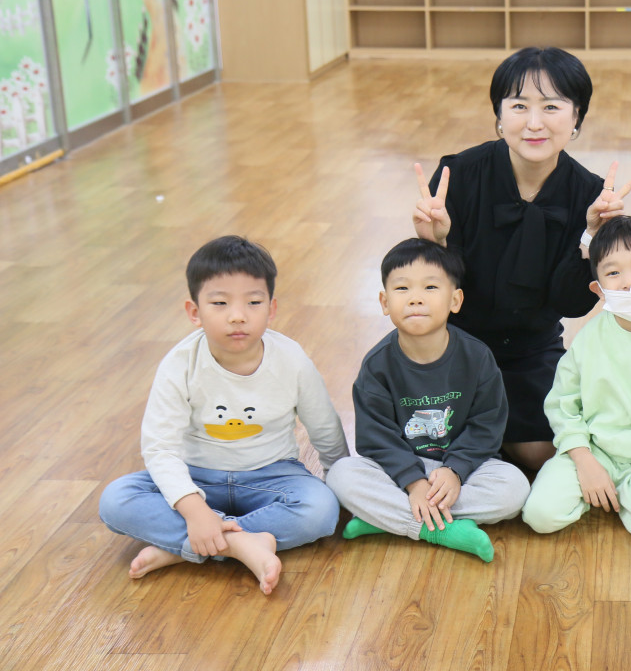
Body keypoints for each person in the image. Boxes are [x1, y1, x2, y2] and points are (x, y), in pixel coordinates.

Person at [413, 46, 631, 471]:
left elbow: (570, 305)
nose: (534, 123)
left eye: (552, 106)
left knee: (544, 455)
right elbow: (426, 297)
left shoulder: (589, 194)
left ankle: (487, 441)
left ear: (576, 118)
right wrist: (436, 245)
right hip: (454, 345)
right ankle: (482, 440)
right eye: (519, 106)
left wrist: (591, 238)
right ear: (499, 115)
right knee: (426, 447)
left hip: (531, 352)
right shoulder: (458, 175)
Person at [98, 236, 349, 595]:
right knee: (116, 500)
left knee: (320, 509)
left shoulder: (291, 359)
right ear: (194, 312)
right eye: (219, 303)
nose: (237, 316)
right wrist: (194, 510)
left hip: (271, 475)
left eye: (253, 302)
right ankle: (243, 544)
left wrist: (341, 484)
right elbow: (160, 448)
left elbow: (324, 428)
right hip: (196, 477)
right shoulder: (179, 364)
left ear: (272, 309)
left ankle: (187, 549)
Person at [326, 239, 530, 562]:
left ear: (455, 300)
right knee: (341, 475)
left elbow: (487, 425)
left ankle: (388, 519)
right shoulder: (377, 365)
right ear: (384, 302)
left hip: (461, 469)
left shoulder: (477, 357)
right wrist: (413, 482)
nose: (416, 298)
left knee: (514, 487)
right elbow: (376, 437)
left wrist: (455, 470)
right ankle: (440, 528)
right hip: (399, 470)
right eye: (402, 288)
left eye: (430, 287)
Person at [520, 216, 631, 548]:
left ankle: (619, 494)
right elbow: (562, 405)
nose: (629, 283)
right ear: (598, 289)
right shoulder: (588, 339)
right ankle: (605, 490)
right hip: (595, 450)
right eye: (613, 273)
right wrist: (584, 460)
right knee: (540, 515)